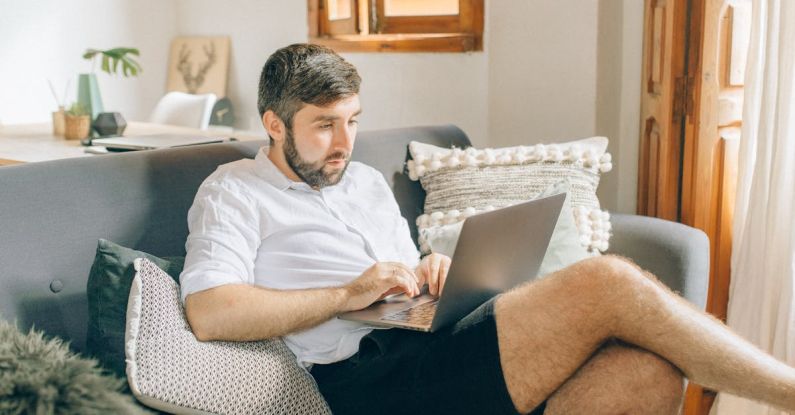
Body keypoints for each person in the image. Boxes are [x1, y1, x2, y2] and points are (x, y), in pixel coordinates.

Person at [179, 43, 795, 415]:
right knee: (608, 282)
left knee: (645, 371)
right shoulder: (234, 192)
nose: (344, 142)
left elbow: (403, 277)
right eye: (324, 125)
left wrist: (426, 272)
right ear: (275, 124)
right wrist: (346, 295)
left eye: (353, 121)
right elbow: (210, 311)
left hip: (430, 341)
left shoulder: (363, 183)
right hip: (365, 380)